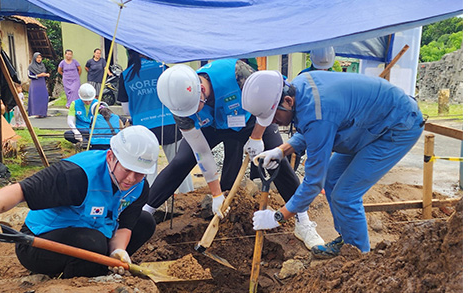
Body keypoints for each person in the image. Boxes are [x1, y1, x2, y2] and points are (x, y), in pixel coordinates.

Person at [245, 69, 423, 257]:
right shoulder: (300, 87)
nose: (274, 123)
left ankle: (358, 258)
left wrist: (278, 217)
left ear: (287, 101)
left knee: (346, 194)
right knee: (332, 178)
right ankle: (347, 239)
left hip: (397, 127)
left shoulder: (318, 111)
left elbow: (314, 181)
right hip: (369, 124)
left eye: (273, 117)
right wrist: (281, 150)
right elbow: (313, 127)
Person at [149, 60, 322, 248]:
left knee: (276, 161)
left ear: (201, 90)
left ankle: (303, 221)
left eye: (195, 107)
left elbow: (267, 101)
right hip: (212, 125)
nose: (192, 112)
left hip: (252, 119)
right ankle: (144, 213)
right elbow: (201, 151)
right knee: (181, 161)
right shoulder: (179, 105)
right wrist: (215, 194)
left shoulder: (236, 72)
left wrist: (256, 136)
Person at [0, 126, 160, 278]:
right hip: (39, 243)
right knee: (93, 243)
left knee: (144, 222)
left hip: (94, 234)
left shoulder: (139, 187)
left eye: (140, 173)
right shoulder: (75, 174)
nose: (131, 178)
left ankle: (101, 267)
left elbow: (125, 226)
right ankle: (76, 276)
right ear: (111, 157)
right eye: (127, 169)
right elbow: (20, 191)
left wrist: (118, 251)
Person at [118, 49, 193, 193]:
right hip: (169, 123)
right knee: (179, 164)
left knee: (146, 167)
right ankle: (187, 195)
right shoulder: (162, 68)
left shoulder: (125, 75)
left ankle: (149, 199)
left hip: (143, 128)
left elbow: (126, 110)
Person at [65, 83, 123, 150]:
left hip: (94, 131)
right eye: (85, 100)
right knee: (68, 134)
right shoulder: (74, 104)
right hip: (81, 130)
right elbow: (70, 121)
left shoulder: (98, 104)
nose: (88, 102)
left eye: (90, 100)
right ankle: (84, 141)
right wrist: (76, 132)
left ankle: (88, 142)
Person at [27, 52, 50, 118]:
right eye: (37, 57)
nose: (39, 59)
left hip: (42, 83)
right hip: (35, 84)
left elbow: (43, 73)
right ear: (34, 58)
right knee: (36, 98)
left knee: (44, 97)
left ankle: (43, 112)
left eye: (40, 57)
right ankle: (36, 113)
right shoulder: (31, 66)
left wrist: (46, 75)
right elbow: (29, 75)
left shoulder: (42, 65)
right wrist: (38, 75)